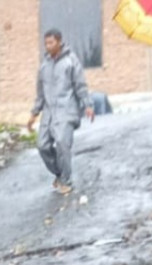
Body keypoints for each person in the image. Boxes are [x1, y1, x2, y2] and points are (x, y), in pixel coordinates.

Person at [27, 29, 94, 195]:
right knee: (42, 146)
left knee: (63, 143)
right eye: (46, 43)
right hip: (49, 112)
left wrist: (88, 104)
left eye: (51, 43)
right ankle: (58, 173)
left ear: (59, 42)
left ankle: (66, 180)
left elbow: (80, 85)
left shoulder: (71, 61)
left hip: (67, 110)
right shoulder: (44, 66)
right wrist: (34, 114)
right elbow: (40, 93)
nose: (48, 46)